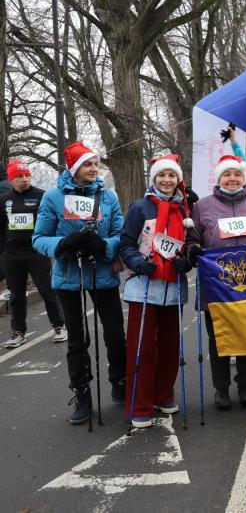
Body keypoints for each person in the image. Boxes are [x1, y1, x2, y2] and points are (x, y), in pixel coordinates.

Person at [32, 142, 126, 425]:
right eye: (87, 164)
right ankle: (82, 392)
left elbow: (121, 234)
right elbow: (39, 238)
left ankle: (119, 381)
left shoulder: (108, 196)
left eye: (96, 163)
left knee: (115, 334)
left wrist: (104, 245)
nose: (94, 168)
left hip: (102, 271)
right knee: (77, 338)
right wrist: (63, 243)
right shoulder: (53, 197)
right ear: (74, 168)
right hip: (68, 275)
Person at [185, 154, 246, 410]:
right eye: (227, 174)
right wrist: (193, 250)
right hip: (216, 285)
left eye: (237, 174)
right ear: (219, 178)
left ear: (244, 178)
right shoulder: (203, 206)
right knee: (219, 339)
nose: (232, 179)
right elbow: (192, 239)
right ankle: (221, 389)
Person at [119, 154, 192, 428]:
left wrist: (188, 260)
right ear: (154, 178)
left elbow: (191, 244)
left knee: (171, 347)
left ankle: (163, 395)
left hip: (173, 288)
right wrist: (137, 262)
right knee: (142, 348)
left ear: (178, 179)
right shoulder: (140, 207)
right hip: (144, 288)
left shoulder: (185, 210)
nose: (166, 180)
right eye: (162, 175)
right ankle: (139, 404)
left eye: (172, 175)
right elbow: (126, 243)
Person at [0, 161, 66, 348]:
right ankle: (18, 332)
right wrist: (3, 251)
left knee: (48, 291)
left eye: (27, 175)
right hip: (12, 255)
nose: (25, 179)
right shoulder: (4, 199)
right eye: (20, 176)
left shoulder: (41, 196)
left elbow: (53, 222)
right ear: (11, 179)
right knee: (16, 295)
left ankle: (59, 326)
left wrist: (51, 246)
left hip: (37, 253)